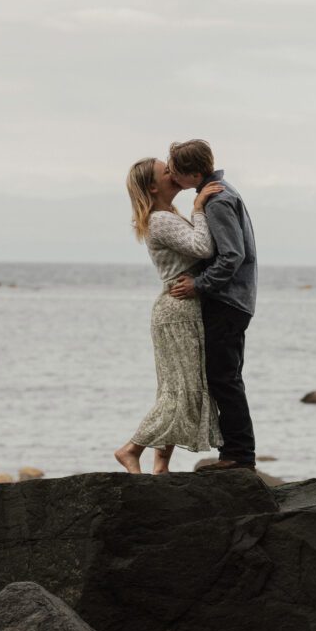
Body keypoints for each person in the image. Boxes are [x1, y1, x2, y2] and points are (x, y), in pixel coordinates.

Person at [114, 157, 224, 474]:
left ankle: (161, 465)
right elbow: (202, 248)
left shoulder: (167, 215)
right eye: (166, 172)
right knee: (180, 390)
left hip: (182, 309)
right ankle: (130, 449)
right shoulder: (161, 219)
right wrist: (199, 208)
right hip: (177, 311)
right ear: (153, 187)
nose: (173, 173)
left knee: (180, 387)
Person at [167, 139, 257, 471]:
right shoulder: (220, 193)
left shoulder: (218, 200)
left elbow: (232, 255)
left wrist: (199, 284)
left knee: (223, 378)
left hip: (227, 301)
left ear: (192, 173)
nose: (171, 176)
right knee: (226, 376)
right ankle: (236, 453)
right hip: (235, 300)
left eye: (175, 170)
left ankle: (239, 456)